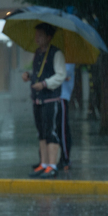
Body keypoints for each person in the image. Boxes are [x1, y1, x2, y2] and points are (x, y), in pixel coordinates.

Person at [22, 23, 66, 179]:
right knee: (41, 133)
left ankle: (53, 165)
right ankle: (44, 163)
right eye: (36, 35)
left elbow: (61, 75)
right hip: (38, 100)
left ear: (48, 37)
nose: (37, 38)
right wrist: (29, 76)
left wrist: (45, 84)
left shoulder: (56, 53)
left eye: (40, 35)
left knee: (51, 132)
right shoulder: (38, 53)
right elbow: (37, 73)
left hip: (51, 99)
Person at [57, 63, 75, 170]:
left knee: (63, 130)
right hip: (53, 96)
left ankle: (66, 158)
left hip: (62, 96)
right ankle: (60, 158)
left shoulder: (69, 57)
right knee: (57, 130)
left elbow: (65, 73)